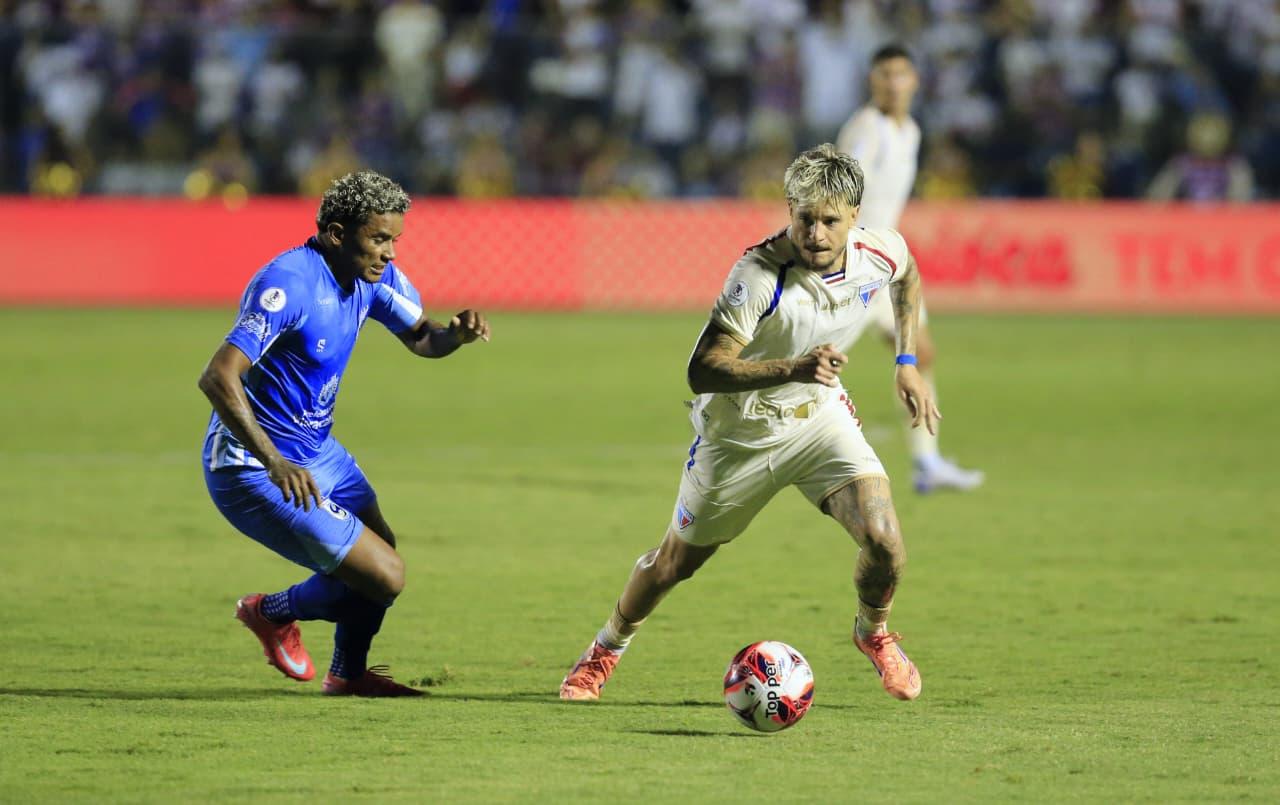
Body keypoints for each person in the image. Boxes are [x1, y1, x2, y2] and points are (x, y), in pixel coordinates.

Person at [560, 144, 933, 703]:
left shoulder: (880, 251)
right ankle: (603, 651)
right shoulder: (760, 274)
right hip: (739, 436)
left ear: (855, 216)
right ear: (789, 208)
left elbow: (907, 276)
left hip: (819, 419)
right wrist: (794, 367)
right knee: (672, 566)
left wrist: (905, 362)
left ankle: (873, 633)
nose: (815, 232)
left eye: (830, 220)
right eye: (804, 217)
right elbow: (702, 370)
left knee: (885, 541)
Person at [198, 171, 490, 697]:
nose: (390, 254)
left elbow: (423, 337)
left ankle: (347, 674)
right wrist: (273, 461)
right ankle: (269, 613)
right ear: (336, 233)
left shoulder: (371, 279)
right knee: (384, 575)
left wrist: (458, 337)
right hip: (252, 465)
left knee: (382, 551)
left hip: (315, 450)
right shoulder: (288, 284)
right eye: (379, 239)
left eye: (394, 240)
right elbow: (218, 375)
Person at [836, 44, 983, 493]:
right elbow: (840, 189)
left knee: (921, 351)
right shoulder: (866, 129)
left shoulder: (911, 131)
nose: (893, 82)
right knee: (816, 362)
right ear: (872, 81)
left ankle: (927, 463)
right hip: (855, 264)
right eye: (884, 74)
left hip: (887, 264)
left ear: (915, 80)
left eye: (901, 74)